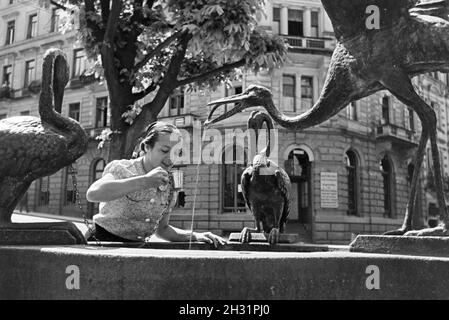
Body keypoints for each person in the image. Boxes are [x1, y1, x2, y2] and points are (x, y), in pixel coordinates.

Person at [86, 121, 226, 247]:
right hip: (101, 242)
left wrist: (195, 236)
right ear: (147, 147)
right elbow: (93, 193)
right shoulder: (122, 168)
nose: (171, 157)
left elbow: (162, 230)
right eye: (164, 150)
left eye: (177, 152)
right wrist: (144, 181)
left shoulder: (169, 184)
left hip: (137, 249)